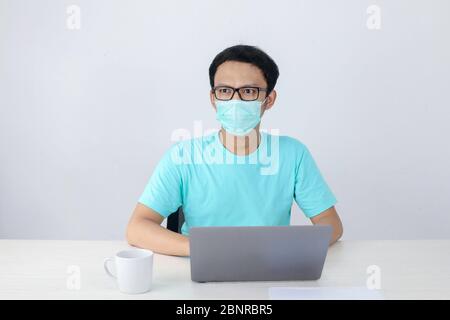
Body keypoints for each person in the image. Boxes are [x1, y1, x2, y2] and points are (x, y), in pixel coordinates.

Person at [126, 44, 343, 256]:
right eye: (225, 91)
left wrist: (288, 248)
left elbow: (330, 224)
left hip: (271, 269)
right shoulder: (183, 157)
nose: (235, 100)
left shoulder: (293, 154)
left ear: (269, 100)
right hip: (201, 270)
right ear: (214, 99)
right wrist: (204, 250)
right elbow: (137, 228)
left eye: (248, 91)